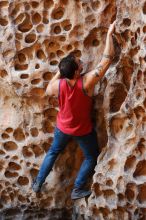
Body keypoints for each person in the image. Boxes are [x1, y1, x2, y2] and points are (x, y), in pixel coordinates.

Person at [32, 21, 116, 199]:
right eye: (79, 63)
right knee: (91, 156)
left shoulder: (58, 85)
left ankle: (38, 182)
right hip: (82, 130)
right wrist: (109, 35)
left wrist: (59, 73)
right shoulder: (86, 82)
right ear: (77, 72)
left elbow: (48, 89)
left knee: (53, 152)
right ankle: (77, 188)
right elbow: (107, 59)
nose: (81, 62)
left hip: (62, 128)